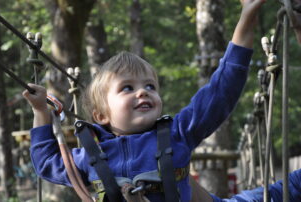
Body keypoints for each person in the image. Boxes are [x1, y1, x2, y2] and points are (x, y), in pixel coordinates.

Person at [22, 0, 272, 201]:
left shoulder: (178, 132)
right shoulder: (91, 155)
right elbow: (46, 163)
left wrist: (245, 21)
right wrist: (41, 112)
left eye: (150, 86)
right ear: (101, 116)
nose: (143, 92)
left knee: (281, 191)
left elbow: (220, 92)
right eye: (127, 88)